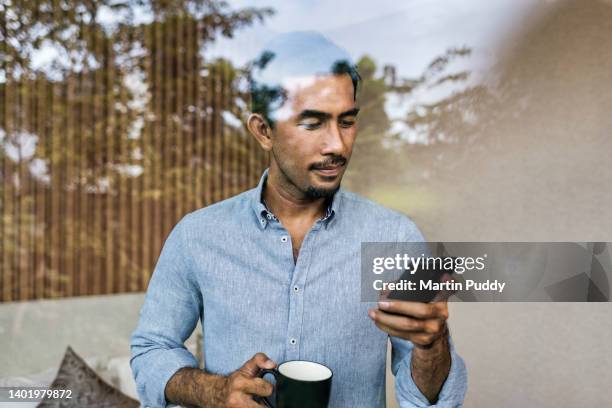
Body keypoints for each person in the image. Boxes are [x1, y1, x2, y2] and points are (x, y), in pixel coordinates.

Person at [130, 31, 467, 408]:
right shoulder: (197, 235)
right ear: (263, 131)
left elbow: (430, 397)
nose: (337, 146)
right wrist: (214, 391)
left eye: (346, 121)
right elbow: (151, 349)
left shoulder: (395, 237)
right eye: (313, 123)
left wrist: (431, 345)